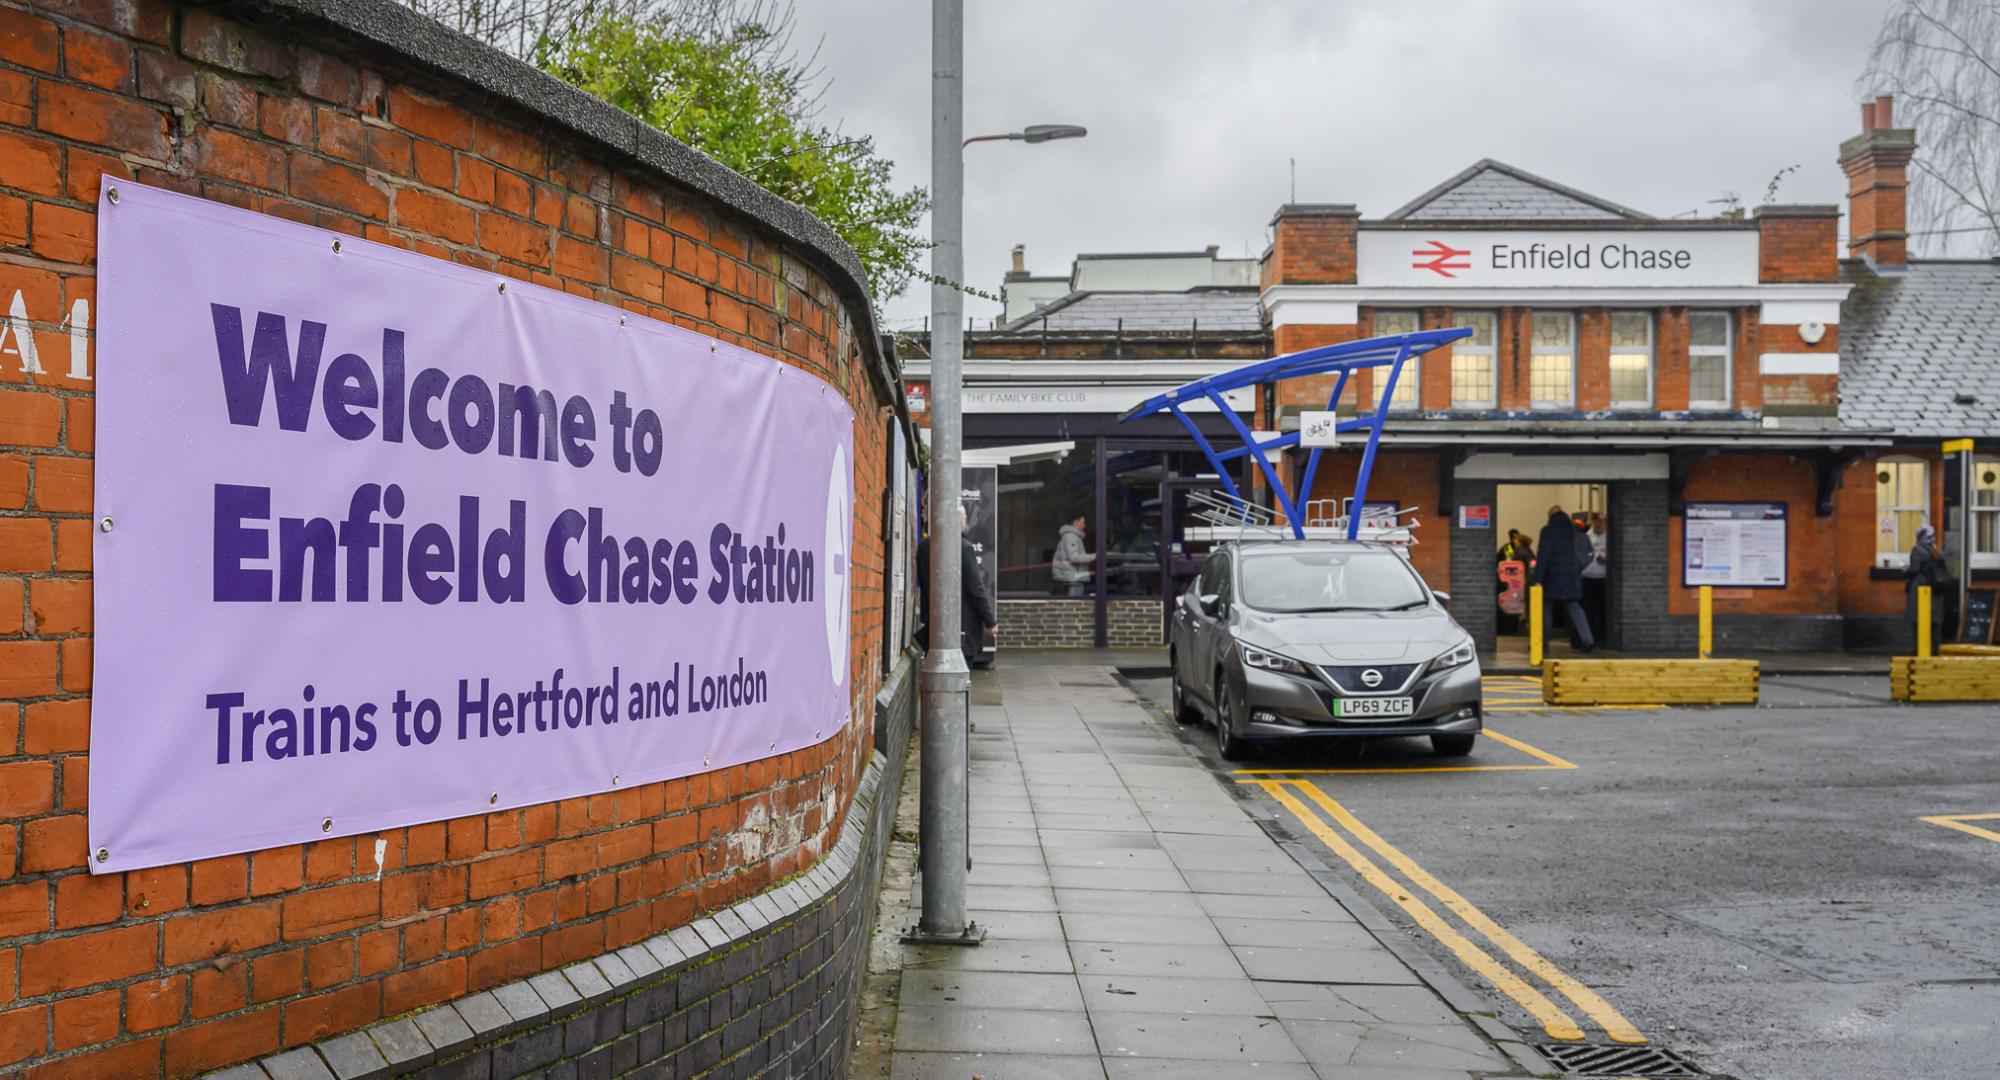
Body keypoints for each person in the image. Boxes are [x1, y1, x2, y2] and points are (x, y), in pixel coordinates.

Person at [916, 507, 997, 664]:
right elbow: (975, 588)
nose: (965, 522)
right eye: (964, 518)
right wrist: (990, 621)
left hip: (933, 626)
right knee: (960, 678)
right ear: (957, 521)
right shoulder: (963, 547)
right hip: (961, 628)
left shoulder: (924, 546)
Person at [1532, 505, 1595, 653]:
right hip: (1571, 577)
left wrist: (1538, 578)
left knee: (1546, 608)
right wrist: (1578, 568)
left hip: (1551, 577)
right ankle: (1587, 640)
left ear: (1550, 517)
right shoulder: (1575, 532)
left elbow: (1543, 555)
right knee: (1574, 607)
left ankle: (1543, 642)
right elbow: (1586, 554)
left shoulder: (1547, 531)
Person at [1905, 524, 1953, 648]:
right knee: (1935, 623)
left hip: (1920, 589)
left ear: (1920, 537)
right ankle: (1935, 649)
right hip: (1936, 591)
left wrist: (1906, 570)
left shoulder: (1917, 550)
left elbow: (1914, 569)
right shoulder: (1937, 552)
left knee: (1918, 621)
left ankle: (1919, 649)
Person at [1581, 512, 1609, 641]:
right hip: (1587, 577)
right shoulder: (1586, 536)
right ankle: (1590, 637)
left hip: (1603, 578)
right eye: (1595, 522)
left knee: (1603, 610)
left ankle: (1602, 638)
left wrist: (1607, 560)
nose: (1598, 524)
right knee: (1588, 610)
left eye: (1601, 522)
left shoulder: (1610, 537)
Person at [1051, 513, 1094, 596]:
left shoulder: (1073, 536)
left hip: (1072, 577)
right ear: (1075, 522)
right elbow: (1074, 558)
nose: (1085, 525)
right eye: (1083, 522)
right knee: (1074, 605)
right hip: (1073, 578)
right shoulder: (1071, 537)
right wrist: (1094, 556)